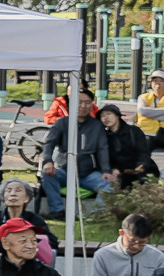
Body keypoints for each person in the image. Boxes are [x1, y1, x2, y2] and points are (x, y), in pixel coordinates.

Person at [39, 88, 112, 219]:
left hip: (88, 173)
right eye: (79, 102)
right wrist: (48, 161)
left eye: (87, 102)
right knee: (47, 175)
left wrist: (106, 170)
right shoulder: (62, 122)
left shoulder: (97, 126)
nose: (83, 106)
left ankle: (97, 215)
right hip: (65, 171)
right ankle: (57, 211)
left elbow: (103, 149)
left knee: (108, 183)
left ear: (92, 104)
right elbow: (49, 144)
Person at [90, 214, 164, 276]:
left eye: (142, 242)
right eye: (132, 241)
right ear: (121, 233)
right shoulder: (102, 255)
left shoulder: (158, 257)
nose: (136, 246)